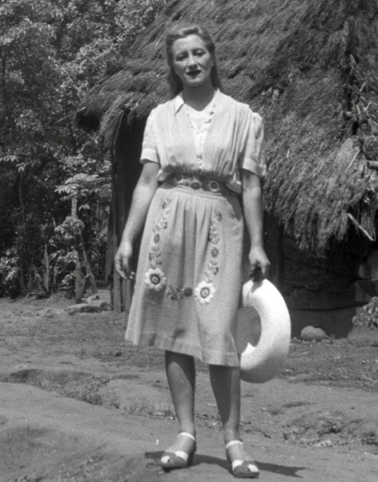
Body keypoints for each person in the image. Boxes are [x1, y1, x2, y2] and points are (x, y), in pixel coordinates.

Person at [114, 24, 269, 478]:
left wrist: (258, 244)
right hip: (168, 223)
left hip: (221, 221)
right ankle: (185, 433)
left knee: (218, 331)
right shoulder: (161, 116)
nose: (192, 63)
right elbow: (147, 181)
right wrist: (128, 238)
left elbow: (253, 185)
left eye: (199, 53)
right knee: (174, 329)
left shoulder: (244, 117)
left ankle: (234, 441)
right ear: (173, 65)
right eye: (182, 57)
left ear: (213, 57)